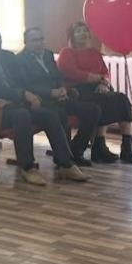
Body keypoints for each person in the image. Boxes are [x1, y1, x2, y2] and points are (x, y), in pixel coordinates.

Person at [0, 26, 87, 185]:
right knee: (22, 115)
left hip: (16, 103)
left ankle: (65, 164)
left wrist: (23, 95)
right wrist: (20, 94)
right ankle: (27, 167)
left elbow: (22, 81)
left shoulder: (8, 57)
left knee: (50, 114)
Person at [16, 27, 101, 168]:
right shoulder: (20, 60)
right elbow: (27, 86)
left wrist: (62, 89)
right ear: (26, 42)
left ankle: (76, 150)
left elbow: (58, 75)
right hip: (42, 100)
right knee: (59, 113)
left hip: (59, 97)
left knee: (93, 110)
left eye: (41, 39)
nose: (39, 43)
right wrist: (50, 93)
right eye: (34, 40)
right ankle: (63, 158)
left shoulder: (48, 54)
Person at [57, 21, 132, 164]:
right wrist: (99, 79)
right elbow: (75, 74)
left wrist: (104, 83)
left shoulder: (94, 52)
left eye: (85, 30)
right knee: (102, 102)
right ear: (72, 36)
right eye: (79, 31)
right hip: (76, 91)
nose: (83, 33)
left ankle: (127, 148)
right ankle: (98, 147)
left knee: (122, 99)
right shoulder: (66, 52)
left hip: (97, 88)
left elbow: (105, 72)